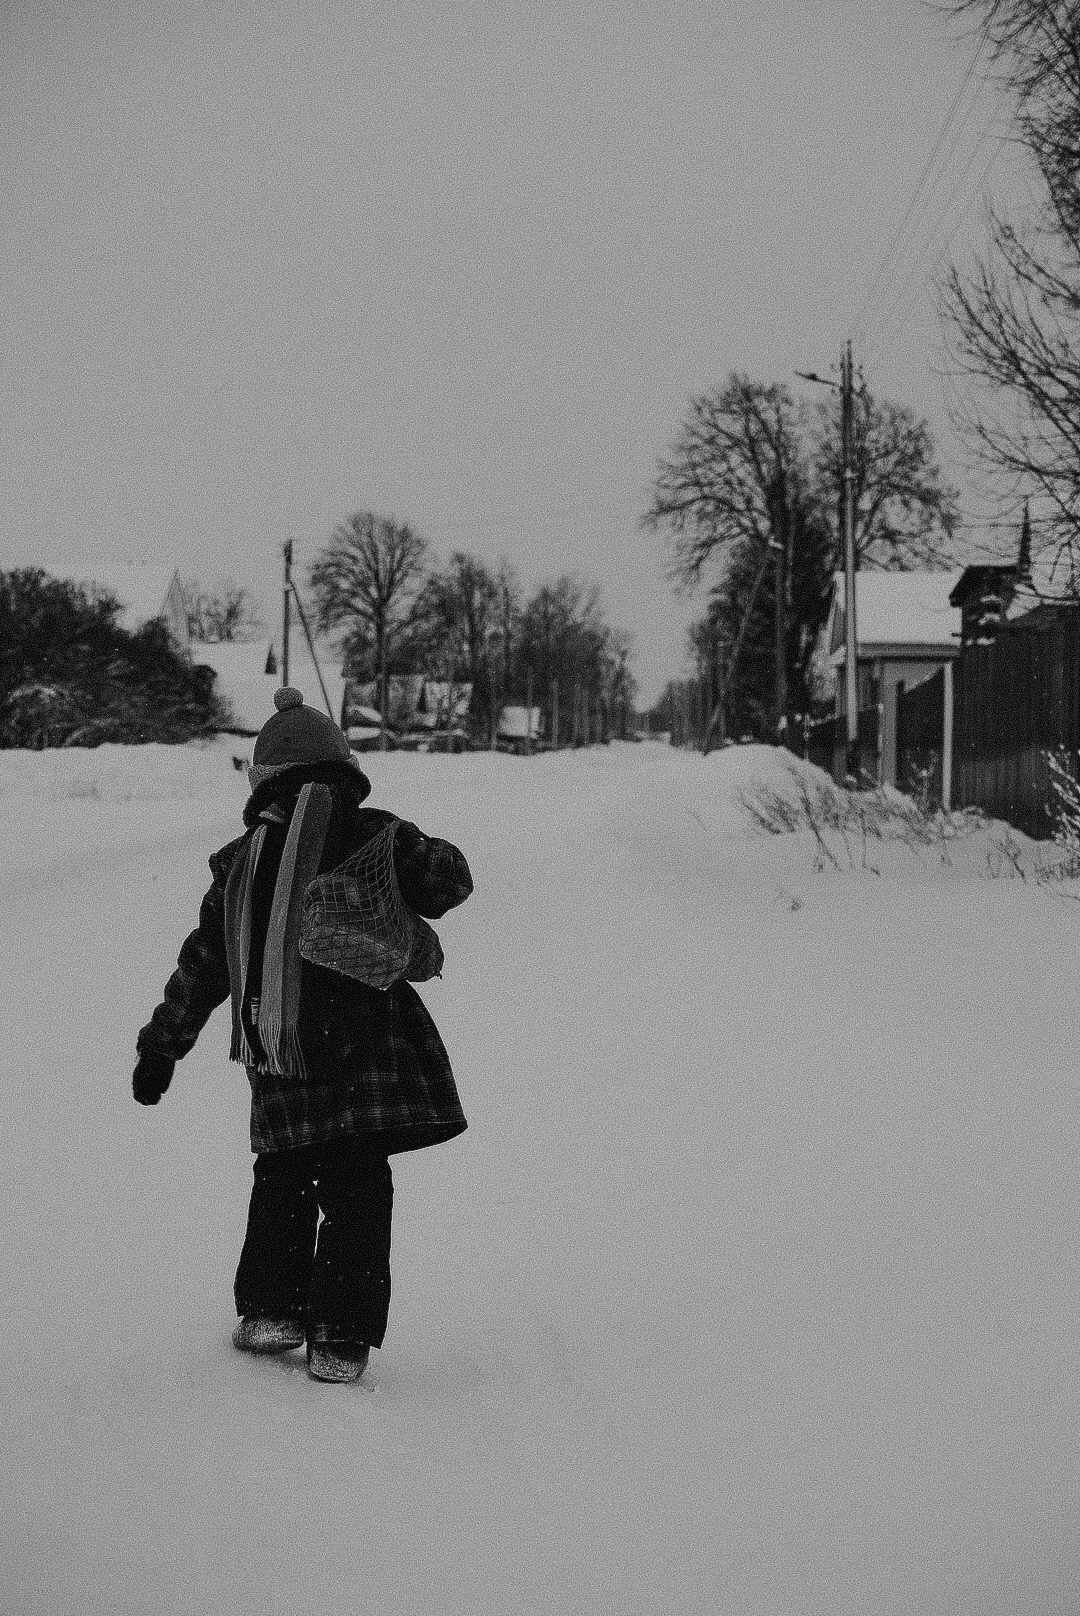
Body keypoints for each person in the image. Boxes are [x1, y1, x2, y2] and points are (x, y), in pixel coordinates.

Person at [131, 686, 472, 1383]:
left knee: (282, 1176)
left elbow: (205, 964)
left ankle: (272, 1313)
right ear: (344, 772)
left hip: (281, 1050)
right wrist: (416, 846)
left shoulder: (238, 865)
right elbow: (450, 885)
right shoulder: (377, 834)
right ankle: (342, 1338)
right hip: (369, 1049)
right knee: (357, 1186)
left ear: (264, 785)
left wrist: (162, 1045)